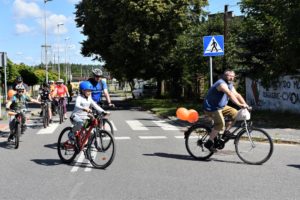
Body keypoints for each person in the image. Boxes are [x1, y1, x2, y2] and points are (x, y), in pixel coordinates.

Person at [203, 69, 249, 152]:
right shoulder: (221, 84)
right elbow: (229, 94)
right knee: (220, 124)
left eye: (233, 76)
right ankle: (208, 143)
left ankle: (225, 132)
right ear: (224, 75)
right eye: (229, 76)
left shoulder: (230, 84)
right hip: (211, 108)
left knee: (235, 113)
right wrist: (240, 105)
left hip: (221, 107)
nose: (231, 78)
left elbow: (237, 95)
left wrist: (246, 105)